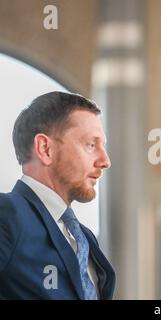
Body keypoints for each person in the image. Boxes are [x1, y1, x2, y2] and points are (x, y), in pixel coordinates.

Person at [0, 92, 115, 299]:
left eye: (102, 146)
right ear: (45, 149)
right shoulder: (7, 214)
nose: (105, 160)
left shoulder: (85, 237)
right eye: (91, 145)